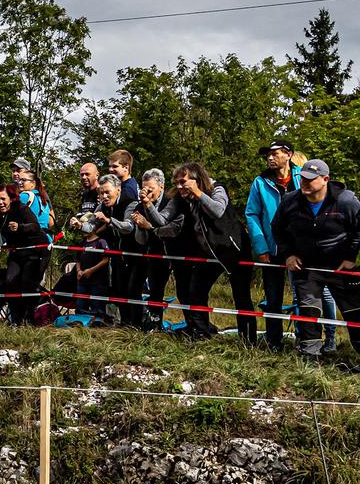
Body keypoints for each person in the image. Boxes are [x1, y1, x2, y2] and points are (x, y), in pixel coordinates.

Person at [147, 163, 256, 342]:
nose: (180, 187)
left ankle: (248, 341)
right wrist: (148, 205)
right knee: (194, 293)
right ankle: (202, 334)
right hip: (208, 255)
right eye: (177, 182)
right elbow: (162, 219)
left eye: (183, 182)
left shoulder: (217, 189)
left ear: (196, 179)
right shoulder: (179, 197)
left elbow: (217, 211)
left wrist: (198, 193)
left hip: (233, 251)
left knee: (241, 297)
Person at [272, 159, 360, 361]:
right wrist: (288, 254)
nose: (305, 183)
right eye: (302, 178)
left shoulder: (346, 201)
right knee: (308, 312)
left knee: (355, 313)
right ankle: (310, 358)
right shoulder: (290, 201)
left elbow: (358, 230)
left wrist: (350, 257)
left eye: (310, 179)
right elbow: (277, 228)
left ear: (325, 179)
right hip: (307, 268)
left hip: (340, 268)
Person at [245, 140, 303, 350]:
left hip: (300, 249)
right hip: (272, 249)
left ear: (288, 155)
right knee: (273, 297)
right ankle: (274, 341)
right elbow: (251, 214)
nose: (270, 158)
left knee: (304, 296)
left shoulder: (302, 177)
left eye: (275, 154)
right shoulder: (260, 182)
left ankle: (306, 340)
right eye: (268, 155)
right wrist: (260, 247)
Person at [0, 185, 51, 326]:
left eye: (3, 199)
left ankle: (30, 320)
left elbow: (35, 226)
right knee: (10, 283)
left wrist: (20, 227)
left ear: (11, 198)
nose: (0, 203)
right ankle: (15, 321)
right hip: (17, 252)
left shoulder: (21, 208)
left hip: (36, 252)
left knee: (27, 284)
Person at [81, 175, 140, 326]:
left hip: (136, 253)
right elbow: (91, 226)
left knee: (133, 290)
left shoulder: (130, 203)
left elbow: (128, 227)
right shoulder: (103, 206)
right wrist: (79, 225)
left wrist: (108, 221)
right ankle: (125, 324)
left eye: (107, 192)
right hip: (117, 254)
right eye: (101, 193)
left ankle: (137, 324)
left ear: (118, 189)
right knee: (119, 290)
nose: (104, 197)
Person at [132, 168, 179, 327]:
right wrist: (139, 226)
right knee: (133, 288)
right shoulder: (139, 206)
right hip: (143, 252)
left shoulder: (170, 204)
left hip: (163, 254)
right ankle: (136, 322)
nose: (147, 193)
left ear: (162, 187)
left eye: (150, 190)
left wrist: (148, 226)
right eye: (144, 189)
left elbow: (167, 229)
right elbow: (140, 240)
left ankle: (155, 324)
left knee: (156, 291)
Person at [74, 222, 112, 320]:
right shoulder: (82, 243)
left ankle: (98, 326)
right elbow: (77, 259)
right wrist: (78, 270)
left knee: (98, 308)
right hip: (82, 281)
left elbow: (106, 259)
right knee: (80, 306)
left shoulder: (101, 242)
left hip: (98, 281)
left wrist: (91, 270)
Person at [17, 168, 54, 239]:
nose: (20, 182)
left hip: (31, 239)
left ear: (33, 183)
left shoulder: (24, 196)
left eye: (24, 180)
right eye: (19, 180)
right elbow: (49, 222)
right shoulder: (42, 198)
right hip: (46, 239)